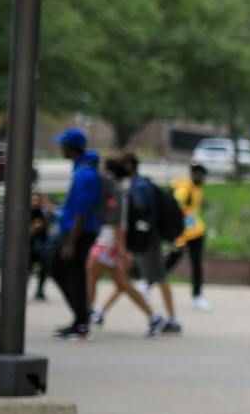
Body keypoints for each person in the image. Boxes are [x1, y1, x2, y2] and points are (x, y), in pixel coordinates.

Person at [86, 151, 162, 337]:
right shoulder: (118, 190)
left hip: (108, 243)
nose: (100, 171)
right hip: (111, 243)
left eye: (104, 168)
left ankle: (83, 320)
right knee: (123, 284)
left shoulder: (115, 192)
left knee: (91, 278)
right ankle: (153, 317)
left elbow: (118, 223)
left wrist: (121, 250)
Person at [116, 153, 182, 336]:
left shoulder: (139, 187)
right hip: (144, 241)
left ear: (129, 165)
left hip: (146, 242)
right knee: (121, 277)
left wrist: (137, 240)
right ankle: (98, 312)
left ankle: (170, 319)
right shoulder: (139, 184)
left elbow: (143, 216)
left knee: (159, 277)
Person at [50, 129, 103, 340]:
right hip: (76, 231)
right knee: (68, 274)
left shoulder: (85, 174)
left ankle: (81, 321)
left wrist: (71, 242)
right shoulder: (82, 169)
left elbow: (82, 212)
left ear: (70, 147)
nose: (60, 148)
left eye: (62, 144)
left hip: (78, 233)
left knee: (66, 273)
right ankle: (80, 320)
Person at [166, 164, 210, 312]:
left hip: (196, 233)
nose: (202, 178)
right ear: (193, 174)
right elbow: (176, 207)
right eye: (199, 175)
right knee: (172, 260)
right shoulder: (185, 188)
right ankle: (148, 283)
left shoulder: (196, 189)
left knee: (196, 265)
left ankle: (197, 296)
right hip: (183, 234)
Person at [27, 190, 52, 301]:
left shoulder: (41, 214)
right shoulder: (25, 213)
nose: (35, 202)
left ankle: (40, 289)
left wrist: (42, 227)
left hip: (38, 248)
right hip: (25, 248)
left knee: (46, 258)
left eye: (37, 200)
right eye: (33, 200)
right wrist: (33, 228)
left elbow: (45, 236)